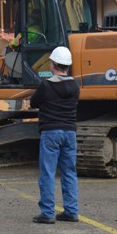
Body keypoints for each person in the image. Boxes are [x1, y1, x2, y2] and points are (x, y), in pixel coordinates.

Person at [29, 46, 80, 224]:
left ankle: (48, 213)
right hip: (70, 133)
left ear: (53, 64)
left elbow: (33, 102)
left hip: (50, 132)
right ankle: (71, 211)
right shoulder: (75, 85)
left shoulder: (46, 85)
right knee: (69, 172)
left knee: (48, 173)